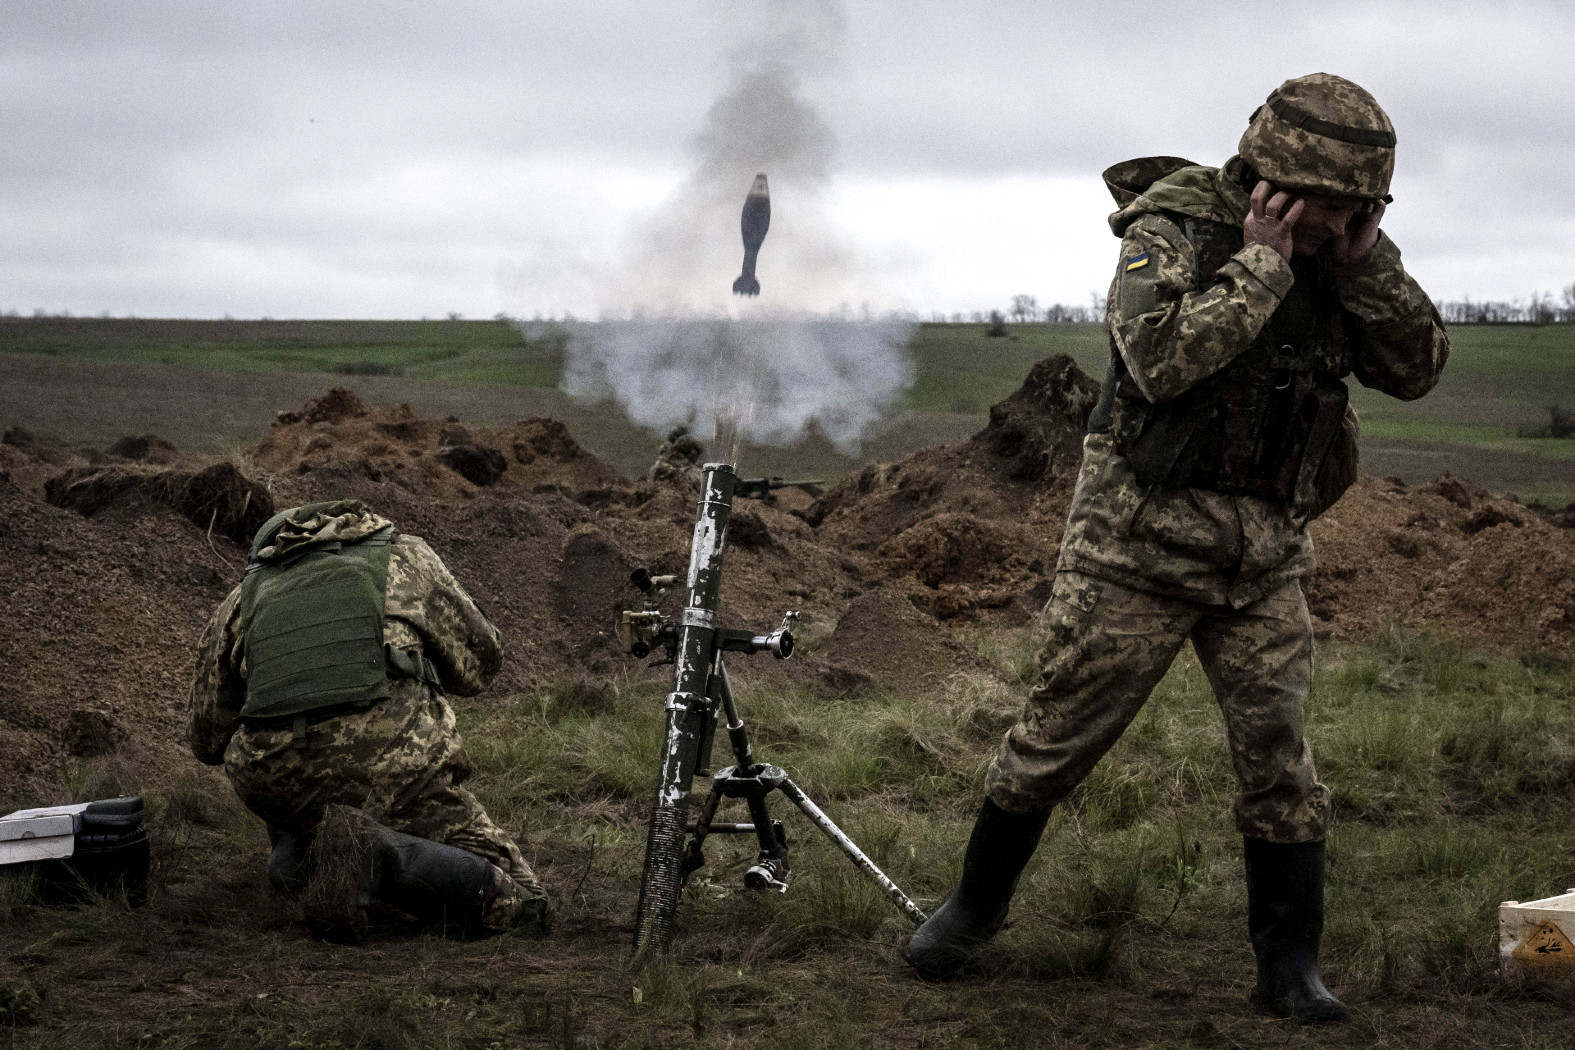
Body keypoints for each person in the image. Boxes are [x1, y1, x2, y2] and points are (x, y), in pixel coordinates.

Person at [905, 74, 1449, 1022]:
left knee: (1279, 761)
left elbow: (1416, 371)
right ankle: (970, 911)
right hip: (1136, 548)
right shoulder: (1173, 230)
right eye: (1332, 208)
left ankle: (1289, 968)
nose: (1342, 225)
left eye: (1364, 209)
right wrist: (1264, 267)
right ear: (1274, 185)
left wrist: (1363, 267)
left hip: (1264, 556)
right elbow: (1157, 364)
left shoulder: (1349, 252)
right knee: (1052, 741)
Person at [187, 499, 549, 940]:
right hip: (395, 767)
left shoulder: (240, 600)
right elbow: (481, 665)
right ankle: (373, 853)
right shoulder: (407, 557)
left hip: (275, 784)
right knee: (524, 905)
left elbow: (206, 741)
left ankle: (300, 859)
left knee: (293, 787)